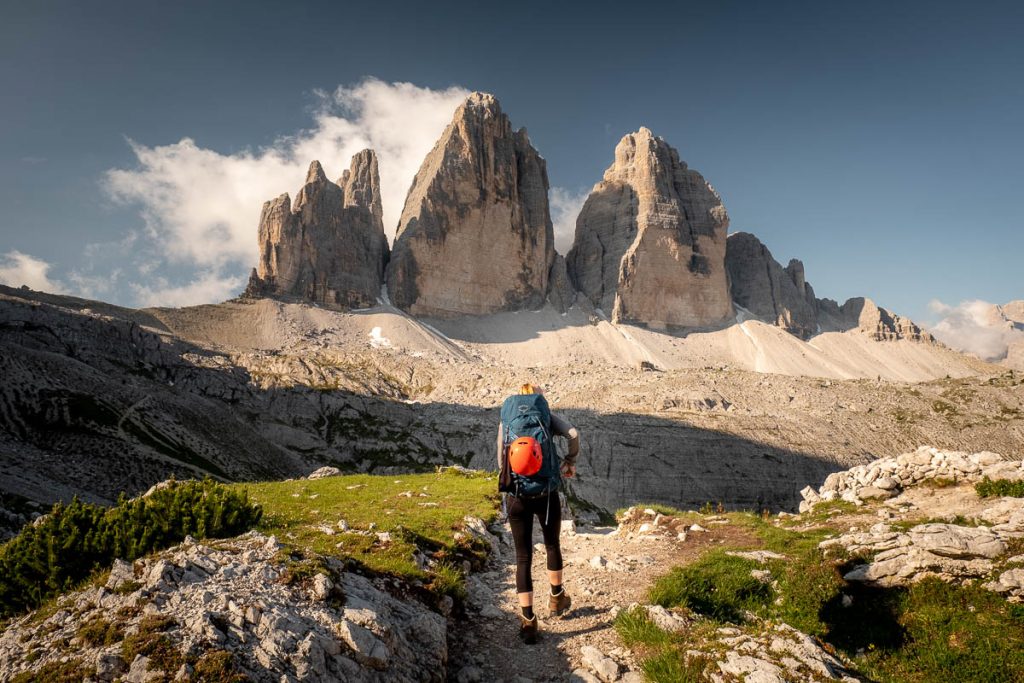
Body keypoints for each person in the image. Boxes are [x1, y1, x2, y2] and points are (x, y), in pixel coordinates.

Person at [497, 383, 580, 644]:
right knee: (552, 543)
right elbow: (573, 433)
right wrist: (570, 461)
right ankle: (556, 598)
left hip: (517, 497)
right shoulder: (545, 415)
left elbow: (501, 456)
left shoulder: (508, 418)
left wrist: (510, 483)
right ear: (537, 397)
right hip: (545, 493)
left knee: (523, 556)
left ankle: (528, 621)